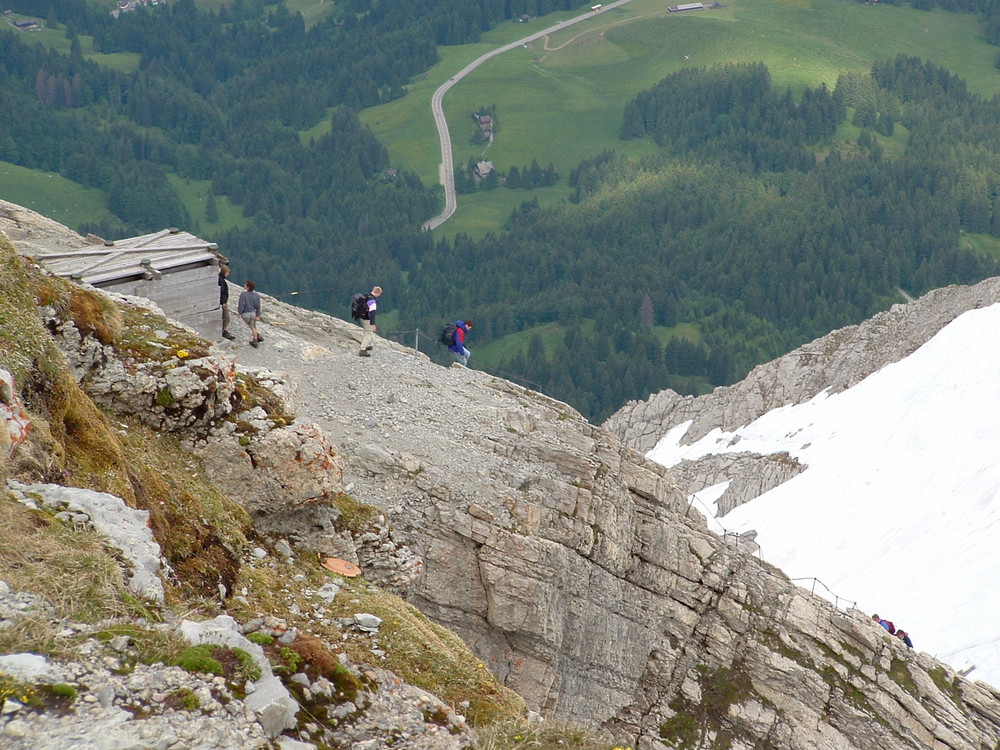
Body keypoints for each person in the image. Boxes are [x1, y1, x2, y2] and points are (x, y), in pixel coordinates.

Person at [238, 279, 262, 348]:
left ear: (248, 287)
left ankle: (255, 340)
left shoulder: (243, 294)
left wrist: (239, 313)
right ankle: (257, 336)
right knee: (253, 326)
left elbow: (241, 304)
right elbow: (258, 306)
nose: (244, 285)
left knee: (252, 327)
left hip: (246, 314)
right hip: (253, 313)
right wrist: (258, 315)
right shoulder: (256, 295)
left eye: (245, 284)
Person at [358, 286, 382, 357]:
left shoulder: (366, 296)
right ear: (377, 293)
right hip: (367, 319)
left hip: (361, 317)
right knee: (369, 333)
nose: (379, 295)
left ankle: (365, 345)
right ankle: (362, 349)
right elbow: (372, 313)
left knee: (366, 331)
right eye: (379, 294)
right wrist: (373, 324)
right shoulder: (373, 302)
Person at [218, 265, 235, 340]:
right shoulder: (221, 280)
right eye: (227, 272)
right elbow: (221, 292)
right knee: (226, 317)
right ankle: (225, 331)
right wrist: (223, 302)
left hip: (221, 301)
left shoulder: (220, 279)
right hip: (222, 302)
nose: (228, 274)